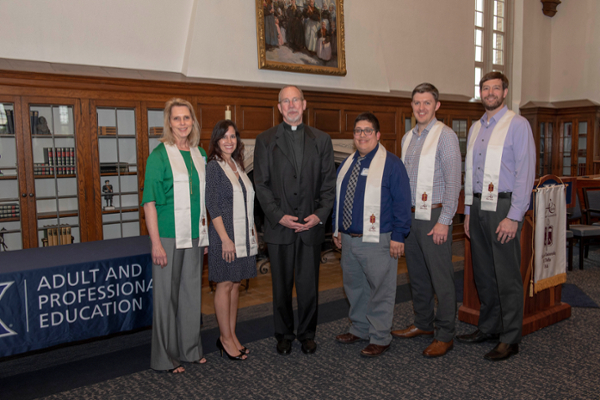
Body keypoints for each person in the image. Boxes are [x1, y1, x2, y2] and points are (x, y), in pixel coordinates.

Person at [457, 72, 535, 361]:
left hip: (503, 207)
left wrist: (514, 216)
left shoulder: (517, 124)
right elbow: (470, 174)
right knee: (484, 272)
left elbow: (525, 173)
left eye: (495, 88)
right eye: (485, 88)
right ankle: (488, 327)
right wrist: (467, 212)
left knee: (506, 274)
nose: (490, 93)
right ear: (481, 93)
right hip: (477, 207)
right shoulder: (477, 127)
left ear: (504, 93)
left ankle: (511, 337)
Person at [254, 85, 336, 355]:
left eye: (295, 100)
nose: (291, 105)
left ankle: (307, 333)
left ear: (304, 104)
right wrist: (279, 217)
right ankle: (284, 334)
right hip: (280, 228)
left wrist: (319, 215)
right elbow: (261, 186)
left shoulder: (322, 140)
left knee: (308, 285)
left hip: (311, 226)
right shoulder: (265, 140)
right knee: (281, 287)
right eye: (285, 101)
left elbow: (328, 184)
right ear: (279, 107)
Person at [333, 112, 411, 357]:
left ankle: (380, 336)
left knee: (381, 289)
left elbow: (402, 202)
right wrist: (337, 230)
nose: (362, 135)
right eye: (358, 131)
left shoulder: (392, 164)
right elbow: (339, 200)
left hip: (378, 239)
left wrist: (399, 235)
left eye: (368, 130)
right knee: (354, 287)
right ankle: (360, 327)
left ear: (377, 135)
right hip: (349, 238)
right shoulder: (347, 164)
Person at [391, 83, 461, 358]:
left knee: (441, 279)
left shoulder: (446, 136)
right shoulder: (408, 137)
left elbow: (454, 182)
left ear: (437, 106)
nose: (421, 108)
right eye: (417, 103)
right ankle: (423, 324)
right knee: (417, 276)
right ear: (412, 105)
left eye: (427, 103)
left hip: (434, 215)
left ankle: (445, 333)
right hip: (411, 216)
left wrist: (444, 220)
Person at [141, 98, 209, 373]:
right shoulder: (159, 155)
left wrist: (204, 236)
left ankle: (190, 350)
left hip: (195, 236)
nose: (182, 123)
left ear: (193, 121)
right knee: (166, 299)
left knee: (192, 294)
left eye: (187, 118)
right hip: (168, 236)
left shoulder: (199, 153)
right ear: (169, 122)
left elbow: (203, 198)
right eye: (177, 118)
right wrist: (156, 243)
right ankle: (165, 358)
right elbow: (149, 203)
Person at [206, 120, 258, 361]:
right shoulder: (214, 167)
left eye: (233, 136)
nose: (229, 141)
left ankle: (232, 334)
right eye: (224, 137)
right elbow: (213, 206)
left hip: (242, 236)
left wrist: (253, 229)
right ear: (216, 141)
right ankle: (225, 338)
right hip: (224, 237)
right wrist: (225, 239)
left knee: (236, 284)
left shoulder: (238, 165)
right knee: (225, 285)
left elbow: (247, 202)